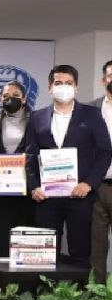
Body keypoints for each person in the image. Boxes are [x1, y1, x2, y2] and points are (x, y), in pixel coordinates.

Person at [27, 65, 112, 269]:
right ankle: (47, 297)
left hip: (80, 195)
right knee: (45, 253)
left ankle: (80, 299)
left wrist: (89, 183)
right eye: (58, 83)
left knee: (81, 251)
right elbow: (30, 155)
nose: (63, 87)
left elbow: (104, 152)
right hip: (46, 197)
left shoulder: (91, 115)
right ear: (50, 87)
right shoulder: (37, 117)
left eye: (68, 83)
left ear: (76, 87)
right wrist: (33, 186)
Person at [0, 80, 35, 259]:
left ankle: (25, 287)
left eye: (15, 96)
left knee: (24, 242)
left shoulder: (36, 121)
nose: (10, 99)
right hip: (0, 193)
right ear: (0, 99)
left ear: (24, 99)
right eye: (6, 96)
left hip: (27, 192)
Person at [90, 60, 112, 281]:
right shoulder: (91, 109)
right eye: (110, 75)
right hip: (97, 186)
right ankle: (97, 296)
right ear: (104, 80)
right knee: (96, 246)